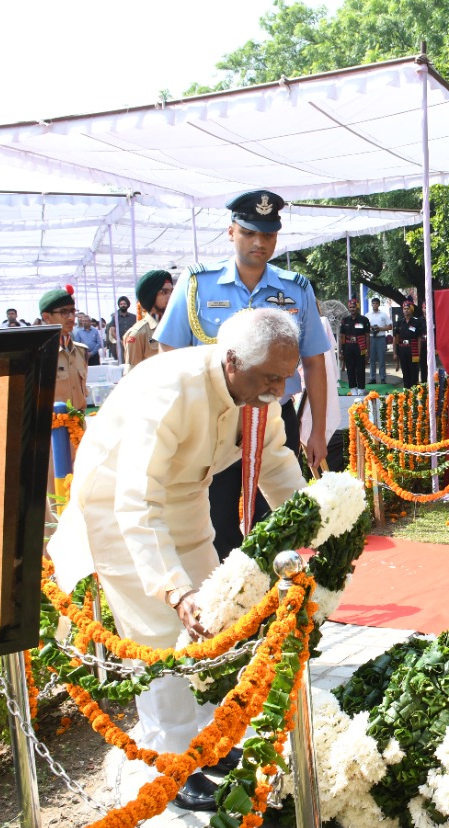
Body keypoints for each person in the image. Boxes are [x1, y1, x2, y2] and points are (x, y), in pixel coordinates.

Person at [47, 309, 309, 812]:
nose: (279, 389)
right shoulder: (171, 387)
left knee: (211, 624)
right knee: (159, 638)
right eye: (271, 378)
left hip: (187, 503)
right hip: (120, 515)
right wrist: (173, 588)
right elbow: (136, 502)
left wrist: (316, 533)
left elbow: (276, 464)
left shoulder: (259, 391)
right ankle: (168, 765)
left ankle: (210, 745)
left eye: (285, 377)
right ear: (232, 361)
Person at [154, 189, 330, 560]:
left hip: (274, 418)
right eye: (249, 232)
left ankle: (273, 599)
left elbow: (314, 361)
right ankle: (228, 604)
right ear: (231, 231)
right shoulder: (197, 283)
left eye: (267, 235)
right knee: (216, 517)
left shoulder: (295, 288)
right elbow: (169, 353)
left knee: (278, 520)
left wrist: (316, 429)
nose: (258, 243)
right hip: (213, 420)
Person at [40, 288, 89, 410]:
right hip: (53, 426)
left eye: (72, 311)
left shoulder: (81, 351)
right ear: (46, 317)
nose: (71, 317)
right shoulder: (39, 354)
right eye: (64, 312)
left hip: (78, 424)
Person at [124, 270, 174, 372]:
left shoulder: (178, 327)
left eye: (171, 292)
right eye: (164, 292)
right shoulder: (138, 333)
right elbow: (131, 375)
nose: (170, 297)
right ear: (151, 296)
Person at [339, 298, 371, 395]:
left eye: (354, 307)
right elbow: (342, 337)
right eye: (350, 307)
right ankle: (353, 388)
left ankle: (361, 388)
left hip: (360, 347)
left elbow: (367, 336)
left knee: (360, 368)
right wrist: (341, 350)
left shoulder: (364, 320)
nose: (352, 309)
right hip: (348, 347)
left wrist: (367, 351)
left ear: (357, 307)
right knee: (350, 368)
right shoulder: (345, 321)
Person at [393, 300, 427, 388]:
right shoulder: (399, 323)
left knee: (414, 371)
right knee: (405, 371)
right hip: (402, 349)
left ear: (411, 310)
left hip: (413, 350)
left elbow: (419, 338)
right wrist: (395, 352)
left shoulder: (416, 322)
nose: (406, 310)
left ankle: (414, 391)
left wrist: (418, 353)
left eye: (408, 308)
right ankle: (406, 390)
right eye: (404, 308)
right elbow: (395, 339)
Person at [109, 297, 136, 362]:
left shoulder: (133, 317)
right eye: (121, 304)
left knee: (133, 360)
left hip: (132, 342)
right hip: (120, 343)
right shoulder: (115, 317)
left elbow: (137, 329)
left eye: (124, 304)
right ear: (119, 305)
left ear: (127, 305)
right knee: (122, 361)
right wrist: (120, 341)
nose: (123, 305)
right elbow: (112, 331)